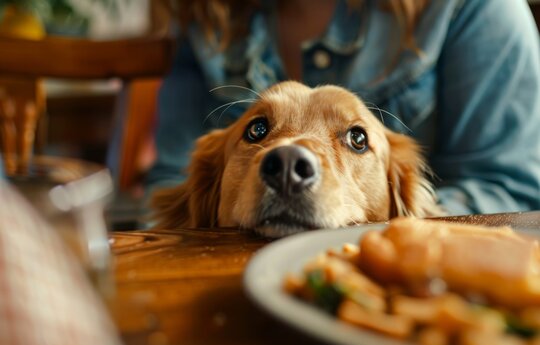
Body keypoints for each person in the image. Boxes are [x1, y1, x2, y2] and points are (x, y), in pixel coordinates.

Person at [145, 0, 540, 215]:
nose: (291, 161)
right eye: (259, 131)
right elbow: (171, 194)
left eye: (356, 139)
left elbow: (509, 192)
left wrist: (405, 237)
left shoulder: (477, 8)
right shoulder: (202, 13)